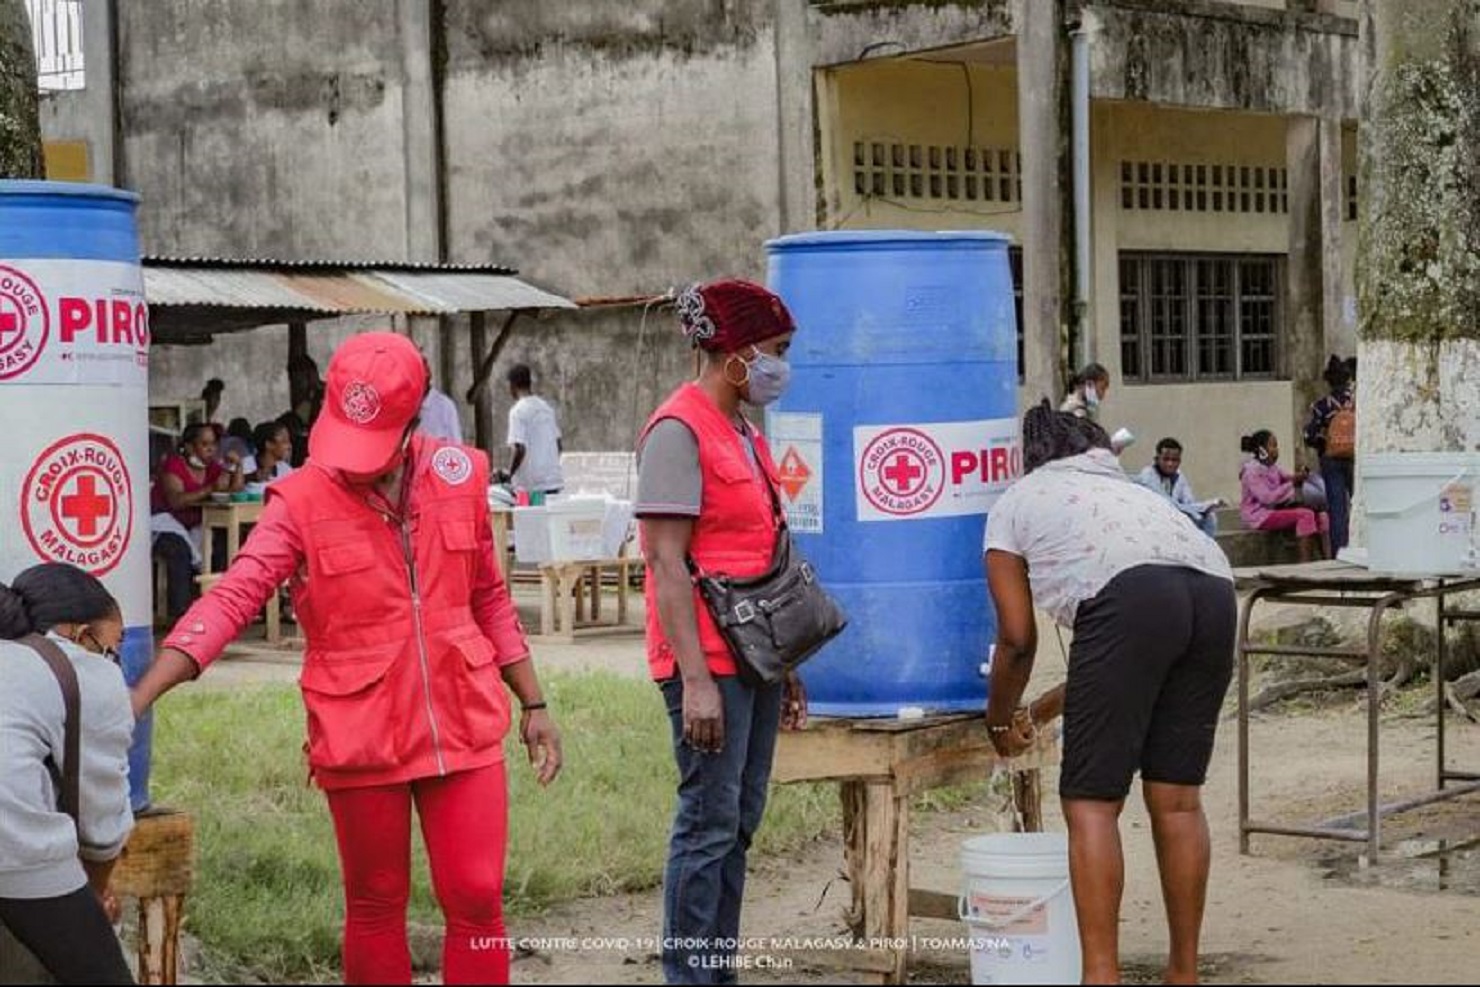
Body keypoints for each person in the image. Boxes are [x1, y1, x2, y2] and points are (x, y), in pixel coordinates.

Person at [130, 332, 563, 986]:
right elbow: (233, 596)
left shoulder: (460, 473)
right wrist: (139, 696)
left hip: (464, 715)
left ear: (413, 423)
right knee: (376, 899)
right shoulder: (300, 500)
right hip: (359, 726)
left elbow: (488, 595)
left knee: (476, 895)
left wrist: (533, 702)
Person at [983, 401, 1235, 986]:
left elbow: (1017, 638)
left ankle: (1101, 976)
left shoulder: (1016, 503)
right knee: (1177, 800)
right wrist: (1040, 709)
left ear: (1033, 457)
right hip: (1217, 592)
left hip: (1130, 599)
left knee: (1093, 803)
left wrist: (999, 721)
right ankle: (1184, 973)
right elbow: (1128, 656)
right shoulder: (1142, 497)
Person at [636, 279, 809, 984]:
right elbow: (664, 561)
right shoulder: (678, 430)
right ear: (734, 354)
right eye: (775, 351)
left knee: (739, 818)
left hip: (755, 656)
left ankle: (718, 970)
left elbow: (759, 548)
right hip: (705, 662)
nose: (780, 366)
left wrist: (787, 662)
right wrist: (698, 682)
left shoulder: (741, 428)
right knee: (707, 825)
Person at [0, 564, 136, 985]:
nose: (113, 659)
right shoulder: (86, 670)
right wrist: (96, 890)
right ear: (80, 634)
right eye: (112, 645)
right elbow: (101, 818)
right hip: (13, 842)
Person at [150, 423, 246, 620]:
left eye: (213, 444)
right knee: (179, 551)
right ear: (190, 447)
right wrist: (210, 489)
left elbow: (234, 491)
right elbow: (176, 501)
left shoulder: (212, 468)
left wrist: (237, 467)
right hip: (162, 524)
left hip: (194, 525)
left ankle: (218, 605)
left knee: (222, 543)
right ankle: (182, 614)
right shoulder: (173, 465)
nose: (211, 449)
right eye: (205, 444)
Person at [1240, 430, 1329, 562]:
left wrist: (1300, 476)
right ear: (1262, 450)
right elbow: (1267, 498)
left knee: (1322, 515)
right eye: (1273, 445)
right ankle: (1306, 565)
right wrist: (1292, 484)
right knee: (1305, 515)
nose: (1277, 449)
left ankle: (1327, 559)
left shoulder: (1272, 467)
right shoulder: (1251, 472)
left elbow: (1286, 478)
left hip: (1274, 509)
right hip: (1259, 515)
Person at [1303, 355, 1356, 553]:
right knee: (1359, 502)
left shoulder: (1322, 406)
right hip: (1355, 459)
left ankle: (1340, 552)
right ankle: (1364, 547)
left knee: (1337, 509)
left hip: (1331, 460)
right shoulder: (1357, 403)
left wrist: (1324, 445)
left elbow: (1310, 435)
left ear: (1329, 381)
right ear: (1348, 378)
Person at [1135, 437, 1223, 538]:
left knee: (1210, 516)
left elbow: (1189, 501)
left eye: (1174, 460)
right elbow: (1166, 503)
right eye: (1166, 459)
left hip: (1178, 518)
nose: (1170, 464)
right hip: (1157, 520)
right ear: (1157, 459)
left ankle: (1207, 550)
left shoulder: (1179, 476)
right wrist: (1201, 507)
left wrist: (1206, 507)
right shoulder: (1148, 475)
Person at [505, 364, 563, 497]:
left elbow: (519, 449)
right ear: (529, 383)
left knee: (531, 518)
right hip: (553, 482)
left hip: (531, 487)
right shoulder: (546, 408)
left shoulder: (517, 411)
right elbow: (558, 445)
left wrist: (509, 474)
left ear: (512, 386)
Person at [278, 355, 323, 468]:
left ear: (311, 375)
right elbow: (299, 420)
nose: (296, 385)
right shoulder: (306, 399)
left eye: (298, 380)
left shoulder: (326, 394)